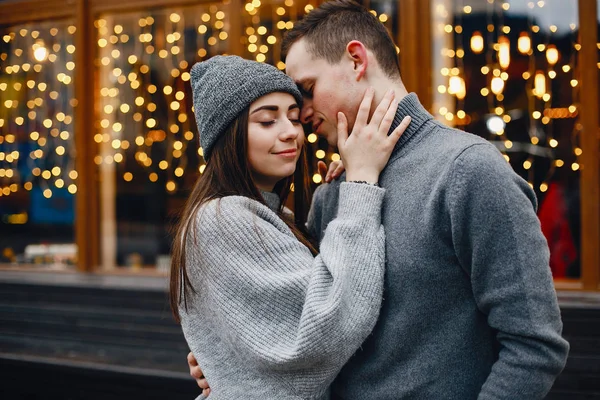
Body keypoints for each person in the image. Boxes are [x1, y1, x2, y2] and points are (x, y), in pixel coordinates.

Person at [189, 1, 569, 399]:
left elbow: (534, 345)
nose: (300, 114)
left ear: (356, 60)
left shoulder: (467, 170)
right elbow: (311, 326)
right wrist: (229, 355)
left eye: (306, 89)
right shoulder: (334, 190)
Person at [170, 55, 411, 399]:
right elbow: (327, 324)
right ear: (228, 136)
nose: (291, 132)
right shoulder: (224, 219)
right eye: (267, 121)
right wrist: (361, 182)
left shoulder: (271, 214)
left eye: (295, 118)